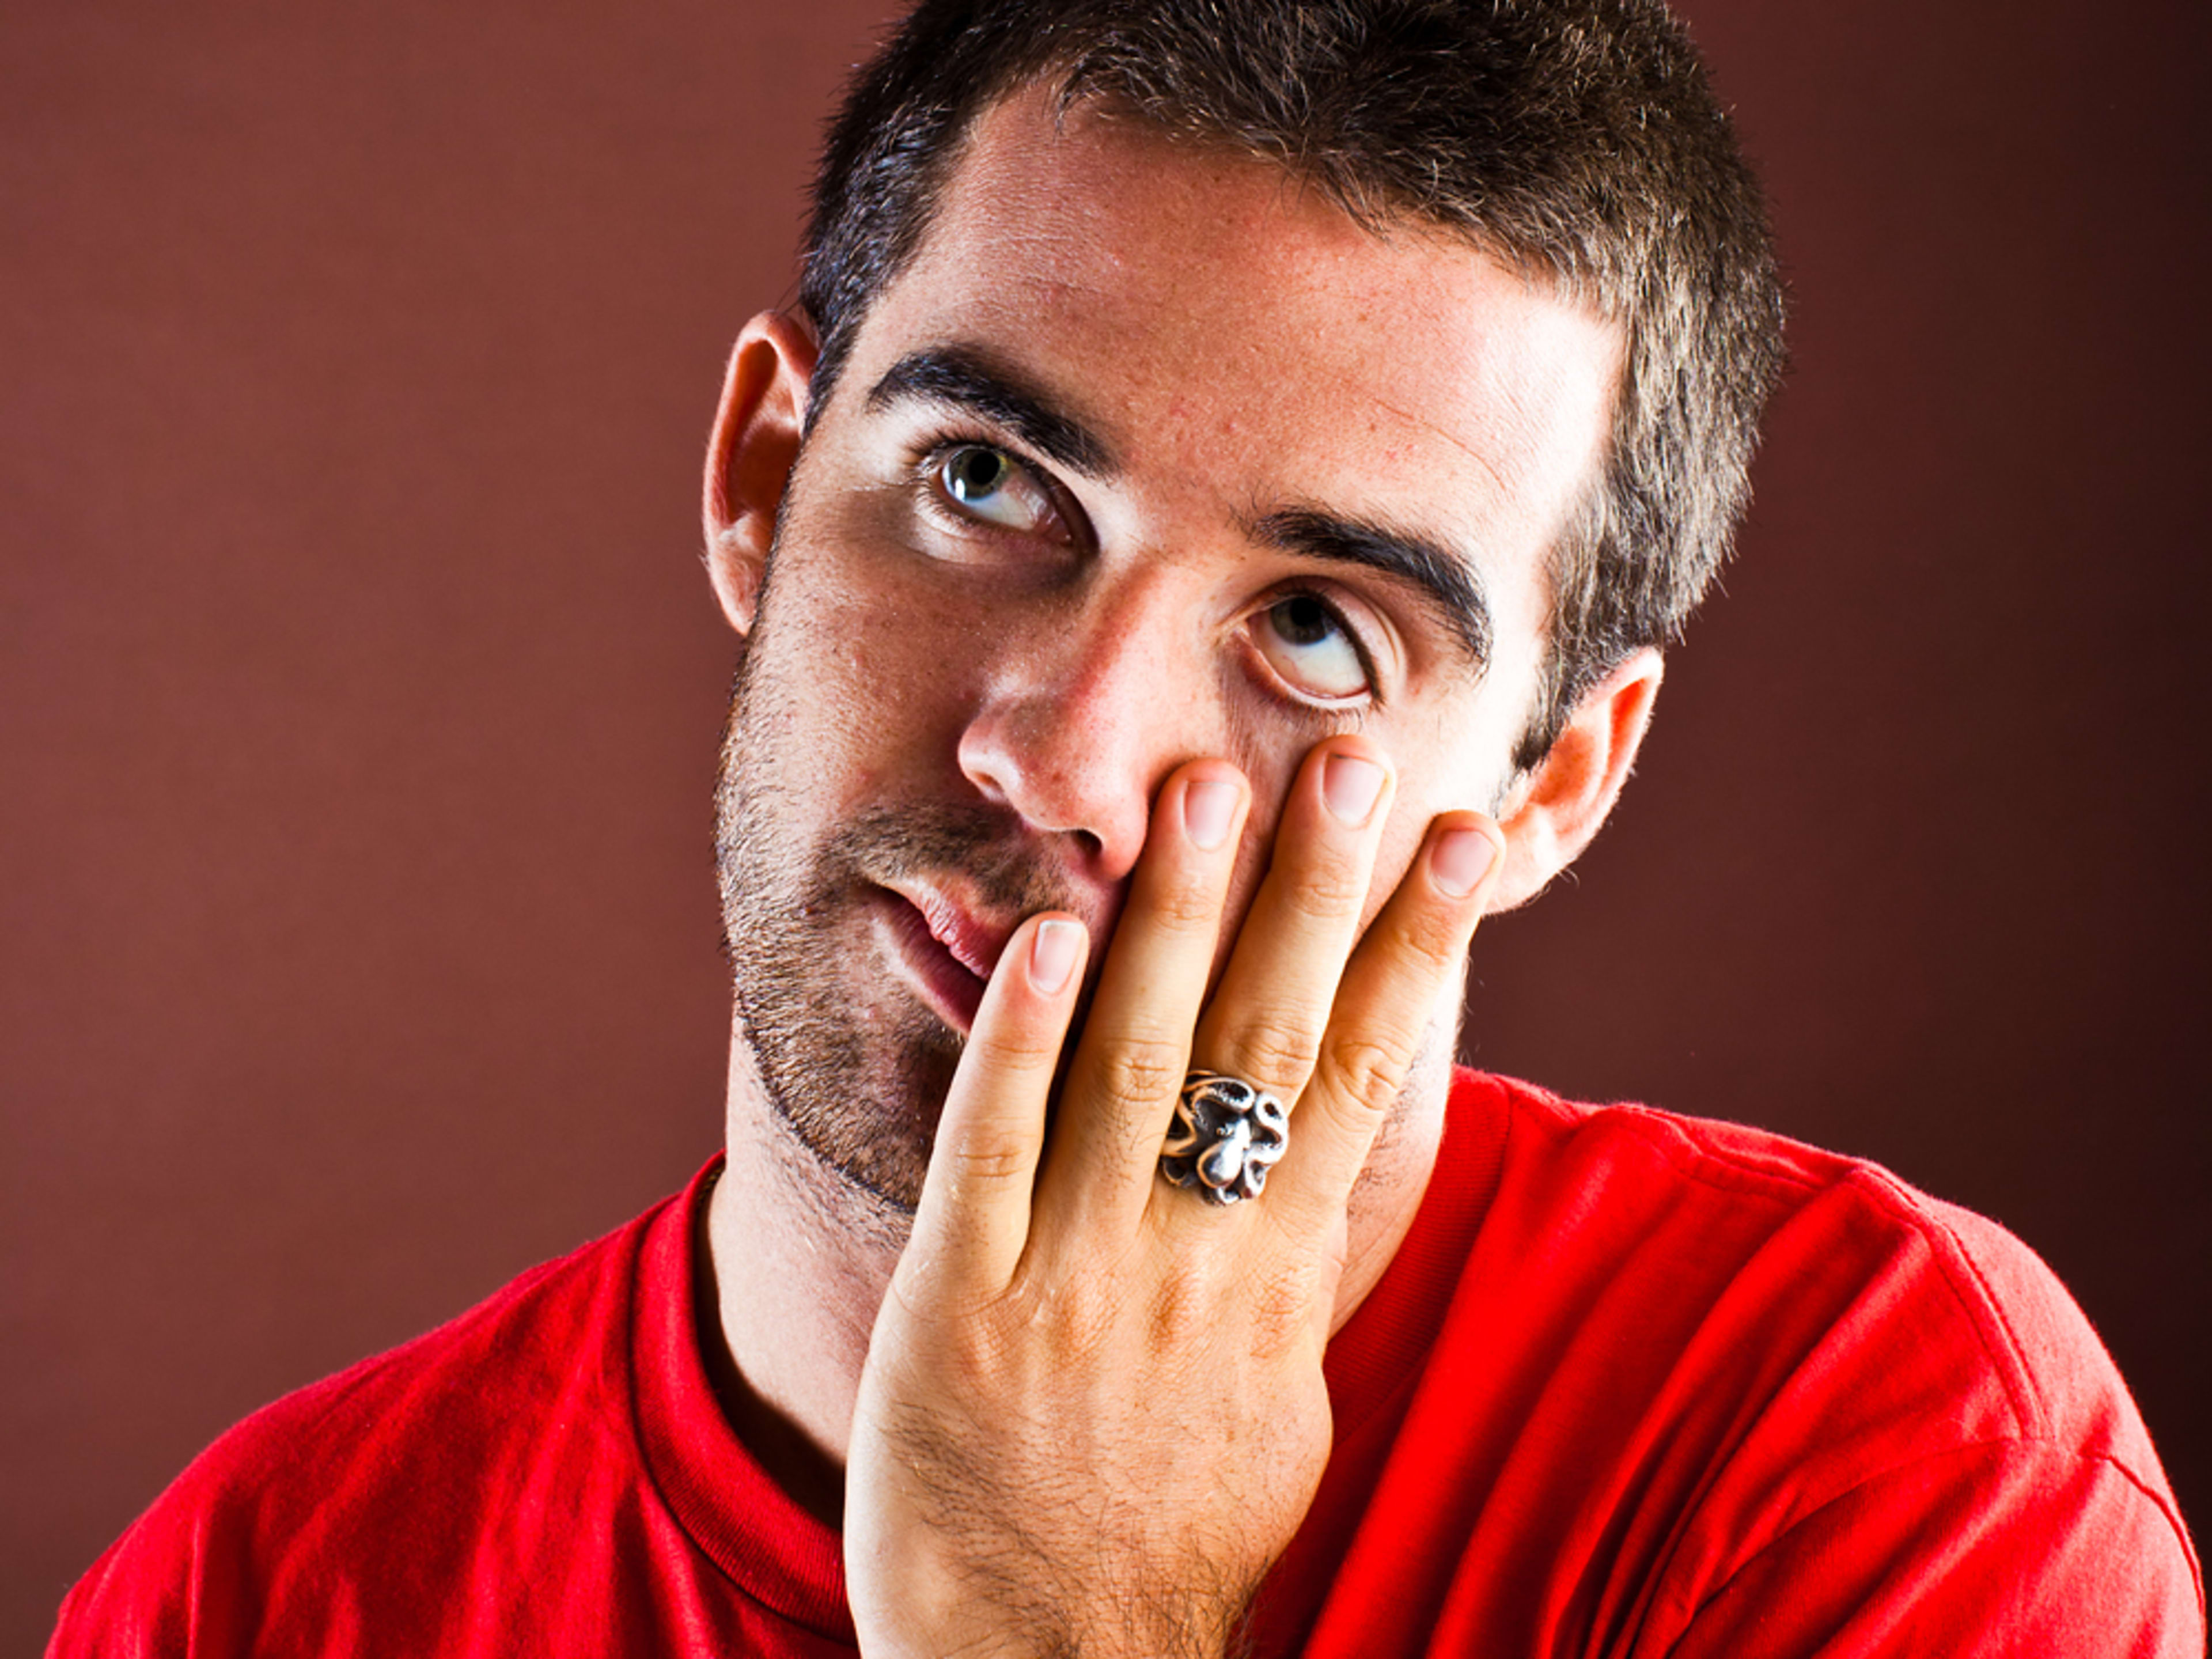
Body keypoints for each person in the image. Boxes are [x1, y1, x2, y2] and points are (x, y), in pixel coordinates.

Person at [50, 0, 2203, 1653]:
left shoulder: (1878, 1453)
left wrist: (1060, 1620)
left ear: (1553, 785)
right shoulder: (248, 1594)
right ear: (763, 475)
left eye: (1321, 632)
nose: (1066, 763)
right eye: (988, 484)